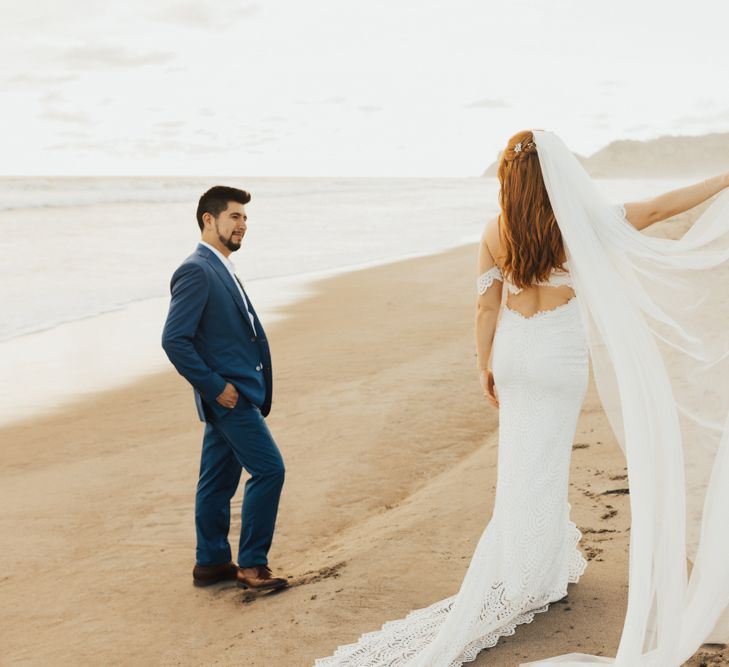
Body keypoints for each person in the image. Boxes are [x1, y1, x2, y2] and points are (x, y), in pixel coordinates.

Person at [314, 130, 729, 666]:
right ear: (553, 177)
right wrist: (723, 179)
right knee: (546, 463)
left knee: (518, 464)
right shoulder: (576, 226)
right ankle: (534, 572)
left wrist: (484, 364)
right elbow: (654, 210)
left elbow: (486, 308)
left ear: (509, 181)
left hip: (514, 355)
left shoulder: (495, 230)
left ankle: (529, 564)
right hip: (558, 360)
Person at [161, 185, 288, 592]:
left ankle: (211, 563)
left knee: (216, 483)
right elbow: (174, 339)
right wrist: (216, 388)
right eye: (235, 216)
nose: (243, 225)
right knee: (270, 470)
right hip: (230, 397)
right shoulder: (197, 269)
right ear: (208, 220)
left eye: (246, 218)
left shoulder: (221, 265)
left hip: (237, 393)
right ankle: (252, 566)